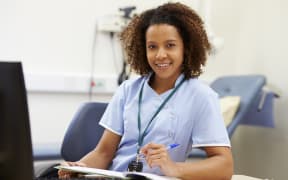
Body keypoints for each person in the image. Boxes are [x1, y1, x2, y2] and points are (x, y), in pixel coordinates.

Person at [58, 2, 233, 180]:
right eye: (152, 46)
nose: (160, 55)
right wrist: (80, 168)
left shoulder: (201, 96)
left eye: (170, 45)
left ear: (186, 48)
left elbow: (224, 165)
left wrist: (174, 168)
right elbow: (103, 153)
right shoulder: (128, 90)